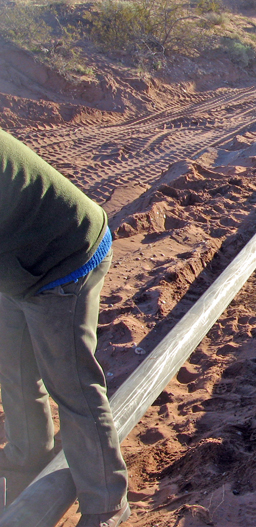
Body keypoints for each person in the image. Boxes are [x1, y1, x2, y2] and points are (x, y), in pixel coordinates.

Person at [0, 129, 129, 526]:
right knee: (15, 372)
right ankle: (27, 462)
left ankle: (106, 504)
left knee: (71, 385)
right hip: (18, 263)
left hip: (66, 256)